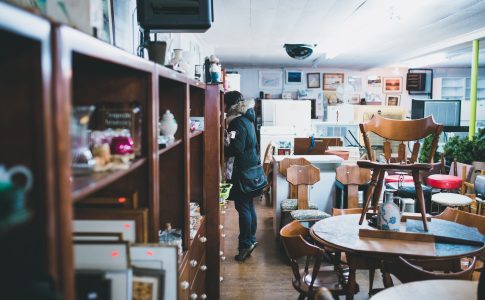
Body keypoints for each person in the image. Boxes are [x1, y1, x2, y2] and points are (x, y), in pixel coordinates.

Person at [224, 91, 262, 262]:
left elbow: (236, 148)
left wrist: (222, 149)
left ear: (228, 105)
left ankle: (245, 245)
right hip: (252, 169)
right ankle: (251, 239)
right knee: (249, 206)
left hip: (243, 171)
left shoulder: (236, 122)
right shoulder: (247, 119)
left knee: (243, 208)